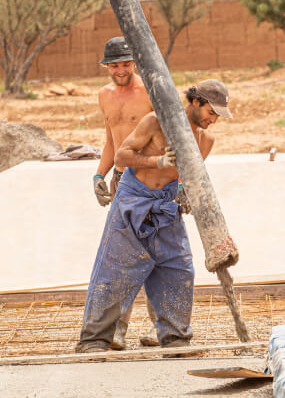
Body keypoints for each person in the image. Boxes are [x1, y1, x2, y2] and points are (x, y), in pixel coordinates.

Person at [75, 79, 232, 353]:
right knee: (115, 272)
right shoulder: (155, 122)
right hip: (133, 200)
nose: (214, 120)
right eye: (211, 113)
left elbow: (188, 176)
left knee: (177, 269)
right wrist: (155, 162)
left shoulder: (205, 140)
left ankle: (176, 339)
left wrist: (184, 191)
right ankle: (93, 341)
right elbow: (123, 155)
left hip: (166, 205)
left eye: (218, 116)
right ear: (196, 102)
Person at [92, 37, 156, 348]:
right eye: (115, 65)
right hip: (121, 183)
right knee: (123, 257)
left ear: (134, 63)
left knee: (159, 254)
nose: (121, 70)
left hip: (151, 181)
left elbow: (170, 139)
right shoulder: (104, 95)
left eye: (126, 63)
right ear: (106, 66)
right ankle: (119, 328)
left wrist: (180, 181)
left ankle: (165, 327)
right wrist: (98, 174)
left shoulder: (149, 92)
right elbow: (110, 140)